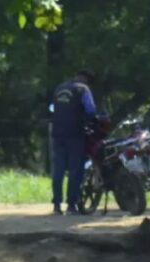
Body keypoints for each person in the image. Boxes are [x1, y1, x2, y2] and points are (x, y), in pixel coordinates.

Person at [49, 70, 97, 215]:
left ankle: (56, 205)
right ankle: (71, 205)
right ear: (84, 79)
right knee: (75, 170)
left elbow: (51, 108)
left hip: (57, 134)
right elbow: (91, 110)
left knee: (58, 170)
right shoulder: (83, 89)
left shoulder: (59, 88)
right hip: (75, 134)